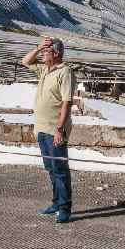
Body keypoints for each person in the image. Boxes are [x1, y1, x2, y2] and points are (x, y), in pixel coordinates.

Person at [21, 36, 76, 223]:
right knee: (51, 169)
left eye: (46, 52)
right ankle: (55, 202)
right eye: (43, 52)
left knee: (60, 169)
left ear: (56, 53)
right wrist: (38, 47)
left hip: (55, 129)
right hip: (41, 128)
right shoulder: (45, 69)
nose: (43, 55)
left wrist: (60, 129)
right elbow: (25, 61)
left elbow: (67, 102)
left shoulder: (65, 72)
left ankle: (64, 208)